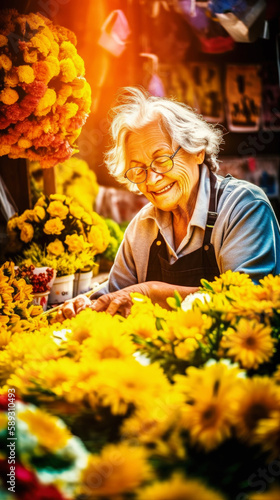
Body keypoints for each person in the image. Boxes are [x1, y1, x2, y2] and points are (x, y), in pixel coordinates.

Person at [57, 87, 280, 320]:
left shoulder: (243, 208)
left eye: (162, 159)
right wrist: (88, 303)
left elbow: (246, 303)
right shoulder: (142, 227)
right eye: (139, 169)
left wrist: (150, 293)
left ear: (197, 151)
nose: (152, 179)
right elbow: (115, 294)